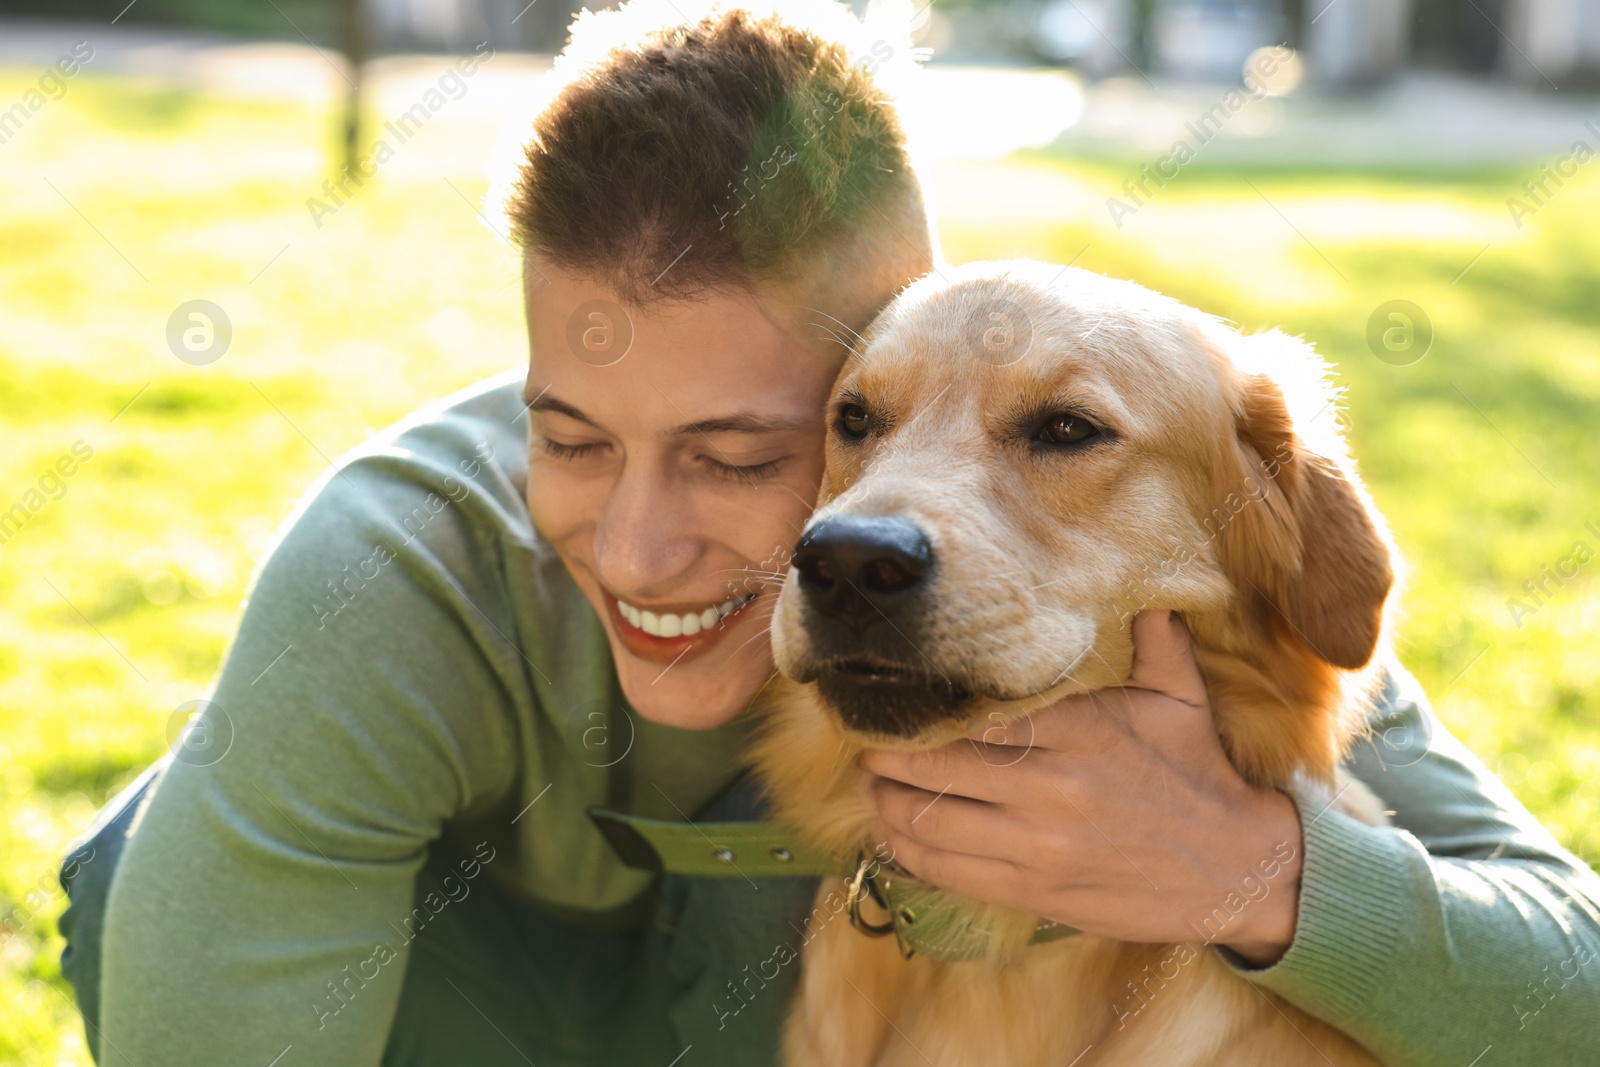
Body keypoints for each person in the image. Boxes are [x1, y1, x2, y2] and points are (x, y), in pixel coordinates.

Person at [57, 1, 1600, 1064]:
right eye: (572, 437)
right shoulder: (404, 572)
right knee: (149, 867)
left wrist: (1257, 870)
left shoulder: (1176, 605)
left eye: (750, 452)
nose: (648, 549)